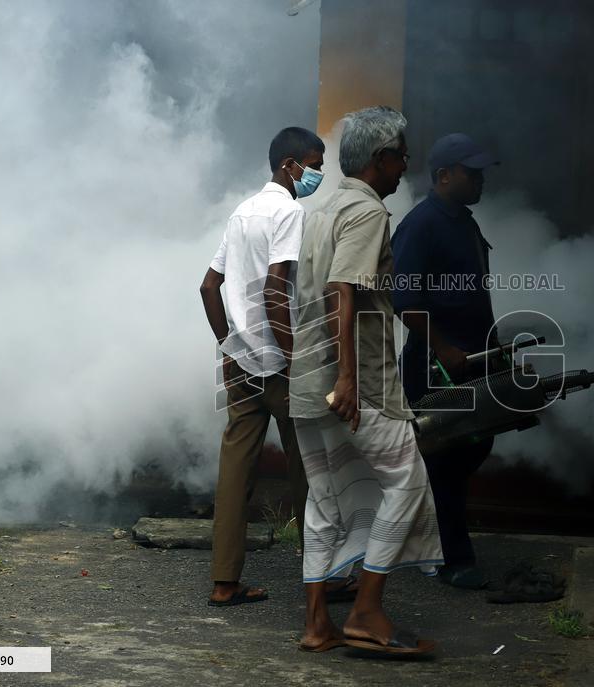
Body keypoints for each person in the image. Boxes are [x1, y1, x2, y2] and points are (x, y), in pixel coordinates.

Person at [289, 106, 443, 654]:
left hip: (307, 380)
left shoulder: (319, 207)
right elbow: (341, 290)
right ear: (381, 160)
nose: (406, 167)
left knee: (324, 500)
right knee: (408, 482)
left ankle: (316, 626)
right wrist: (349, 380)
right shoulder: (367, 211)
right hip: (358, 386)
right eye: (402, 157)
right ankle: (366, 610)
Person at [198, 126, 325, 607]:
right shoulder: (289, 211)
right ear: (290, 164)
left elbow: (210, 287)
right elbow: (276, 291)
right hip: (281, 363)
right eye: (314, 164)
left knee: (235, 471)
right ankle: (324, 577)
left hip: (240, 363)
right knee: (311, 468)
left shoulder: (242, 211)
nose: (317, 173)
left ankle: (224, 582)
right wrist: (296, 362)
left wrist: (228, 344)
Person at [390, 132, 500, 590]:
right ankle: (453, 558)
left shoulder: (465, 223)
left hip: (473, 359)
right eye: (471, 173)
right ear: (443, 176)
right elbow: (406, 301)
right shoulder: (421, 225)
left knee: (474, 445)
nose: (479, 180)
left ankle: (428, 541)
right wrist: (443, 348)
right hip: (437, 364)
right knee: (449, 455)